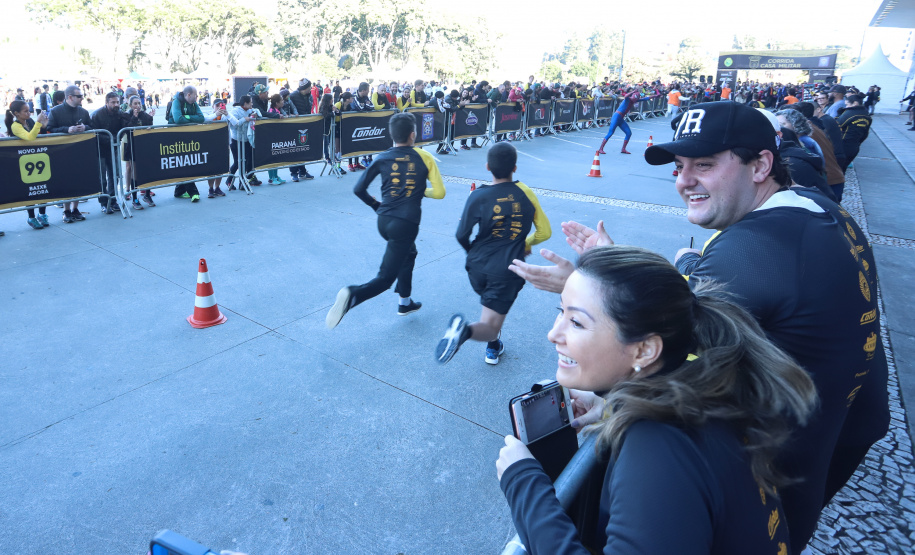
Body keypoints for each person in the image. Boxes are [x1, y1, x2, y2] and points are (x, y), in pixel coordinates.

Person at [509, 101, 888, 554]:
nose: (683, 181)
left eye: (705, 164)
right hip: (832, 431)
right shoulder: (815, 207)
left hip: (771, 463)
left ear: (761, 165)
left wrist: (608, 375)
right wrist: (601, 276)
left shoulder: (749, 252)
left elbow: (674, 348)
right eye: (680, 165)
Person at [497, 245, 817, 554]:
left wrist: (524, 485)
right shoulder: (702, 381)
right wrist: (614, 405)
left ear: (645, 350)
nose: (554, 333)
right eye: (560, 312)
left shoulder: (657, 448)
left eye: (577, 322)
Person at [326, 112, 446, 329]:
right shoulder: (424, 157)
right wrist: (418, 191)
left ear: (391, 136)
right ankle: (353, 295)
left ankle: (405, 302)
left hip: (384, 219)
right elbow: (439, 193)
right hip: (406, 223)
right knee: (384, 278)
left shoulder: (382, 157)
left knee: (409, 253)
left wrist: (375, 205)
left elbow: (358, 189)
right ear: (413, 135)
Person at [436, 143, 551, 365]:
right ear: (515, 168)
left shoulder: (478, 195)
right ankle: (465, 332)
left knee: (490, 309)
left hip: (476, 266)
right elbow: (545, 232)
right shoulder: (525, 193)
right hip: (506, 270)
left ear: (487, 167)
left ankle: (495, 345)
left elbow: (461, 235)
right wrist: (525, 242)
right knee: (489, 327)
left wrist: (474, 254)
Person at [47, 85, 92, 223]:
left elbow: (92, 126)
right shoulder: (55, 111)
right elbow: (49, 129)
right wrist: (67, 129)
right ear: (70, 97)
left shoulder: (83, 112)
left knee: (79, 179)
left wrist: (85, 127)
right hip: (62, 152)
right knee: (66, 181)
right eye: (79, 96)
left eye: (82, 96)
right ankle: (66, 210)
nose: (82, 98)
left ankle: (75, 209)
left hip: (80, 151)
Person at [5, 100, 50, 229]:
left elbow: (38, 136)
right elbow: (30, 137)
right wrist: (38, 123)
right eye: (25, 111)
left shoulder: (30, 122)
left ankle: (42, 214)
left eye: (29, 110)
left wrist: (44, 126)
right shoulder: (15, 126)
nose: (28, 113)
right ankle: (31, 217)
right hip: (24, 161)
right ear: (16, 114)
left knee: (42, 187)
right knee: (30, 190)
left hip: (38, 158)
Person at [169, 86, 205, 201]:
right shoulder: (176, 102)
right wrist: (190, 119)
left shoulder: (194, 104)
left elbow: (201, 118)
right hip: (176, 137)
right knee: (184, 163)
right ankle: (194, 192)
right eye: (195, 95)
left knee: (187, 163)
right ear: (189, 95)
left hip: (189, 137)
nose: (197, 98)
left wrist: (187, 116)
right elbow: (177, 119)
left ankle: (179, 191)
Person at [120, 95, 157, 208]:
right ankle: (135, 198)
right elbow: (126, 129)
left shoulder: (144, 115)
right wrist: (134, 118)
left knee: (147, 170)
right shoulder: (127, 115)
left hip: (143, 146)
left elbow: (149, 127)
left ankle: (147, 195)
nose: (138, 106)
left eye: (139, 103)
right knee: (134, 171)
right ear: (130, 105)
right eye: (135, 104)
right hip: (132, 146)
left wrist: (150, 119)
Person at [596, 89, 655, 155]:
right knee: (610, 133)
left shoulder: (633, 100)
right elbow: (626, 96)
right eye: (635, 98)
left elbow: (645, 99)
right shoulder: (629, 99)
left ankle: (623, 149)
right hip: (616, 116)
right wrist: (632, 91)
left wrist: (655, 96)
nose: (635, 100)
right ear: (633, 96)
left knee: (628, 133)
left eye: (636, 99)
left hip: (620, 118)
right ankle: (600, 149)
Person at [227, 95, 259, 189]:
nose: (252, 104)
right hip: (236, 140)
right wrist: (244, 119)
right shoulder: (235, 111)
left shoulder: (250, 110)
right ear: (245, 103)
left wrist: (255, 116)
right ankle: (229, 180)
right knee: (238, 162)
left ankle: (242, 182)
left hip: (246, 140)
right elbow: (234, 124)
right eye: (251, 102)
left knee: (246, 162)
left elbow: (255, 117)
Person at [288, 79, 316, 181]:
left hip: (305, 124)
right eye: (309, 87)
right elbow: (288, 108)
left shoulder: (309, 96)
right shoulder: (293, 95)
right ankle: (293, 172)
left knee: (303, 148)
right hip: (294, 125)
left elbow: (309, 109)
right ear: (305, 88)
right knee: (294, 149)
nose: (310, 89)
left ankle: (302, 171)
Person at [836, 94, 871, 171]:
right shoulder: (866, 115)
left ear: (855, 103)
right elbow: (865, 134)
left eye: (847, 104)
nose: (846, 107)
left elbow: (837, 125)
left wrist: (839, 115)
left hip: (843, 144)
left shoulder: (849, 113)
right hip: (855, 146)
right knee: (843, 168)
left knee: (836, 169)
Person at [203, 98, 229, 197]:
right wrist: (216, 114)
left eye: (221, 105)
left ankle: (217, 188)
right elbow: (205, 119)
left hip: (222, 144)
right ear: (213, 106)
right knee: (210, 169)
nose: (219, 107)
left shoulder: (225, 116)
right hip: (209, 144)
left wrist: (226, 114)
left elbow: (234, 122)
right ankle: (210, 188)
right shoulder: (208, 114)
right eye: (217, 105)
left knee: (220, 168)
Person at [265, 94, 288, 185]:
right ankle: (271, 178)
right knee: (272, 158)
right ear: (277, 103)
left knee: (276, 157)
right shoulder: (271, 111)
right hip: (271, 137)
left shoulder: (279, 110)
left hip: (277, 137)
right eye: (281, 100)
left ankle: (276, 176)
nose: (283, 101)